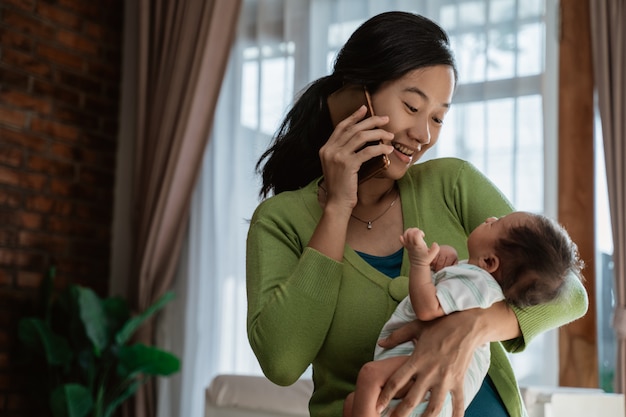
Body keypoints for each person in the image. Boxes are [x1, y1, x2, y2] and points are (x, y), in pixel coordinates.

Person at [246, 11, 588, 417]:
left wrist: (472, 326)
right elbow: (282, 363)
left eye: (438, 117)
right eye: (412, 106)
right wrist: (338, 208)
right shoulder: (281, 221)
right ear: (356, 98)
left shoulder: (452, 182)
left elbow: (568, 292)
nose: (424, 135)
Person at [343, 212, 584, 417]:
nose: (490, 217)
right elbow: (448, 294)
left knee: (369, 377)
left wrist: (418, 262)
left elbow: (427, 308)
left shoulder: (475, 281)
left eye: (495, 224)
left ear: (490, 261)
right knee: (355, 403)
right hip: (433, 393)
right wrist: (445, 264)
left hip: (424, 374)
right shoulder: (480, 285)